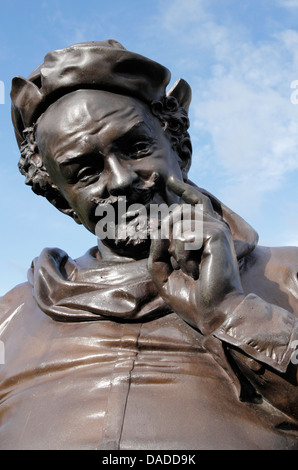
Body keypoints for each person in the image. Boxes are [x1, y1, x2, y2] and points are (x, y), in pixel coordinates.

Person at [0, 40, 297, 450]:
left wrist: (231, 311)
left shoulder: (289, 276)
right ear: (60, 199)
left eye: (137, 147)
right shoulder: (10, 317)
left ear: (180, 149)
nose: (121, 179)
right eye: (85, 171)